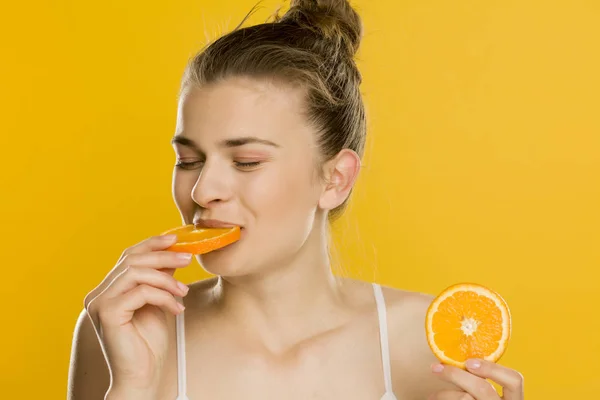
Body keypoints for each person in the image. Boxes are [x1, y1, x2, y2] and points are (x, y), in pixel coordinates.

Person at [67, 1, 524, 399]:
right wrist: (133, 390)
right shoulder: (119, 333)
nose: (203, 191)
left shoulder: (435, 342)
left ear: (335, 179)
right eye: (188, 159)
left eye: (246, 161)